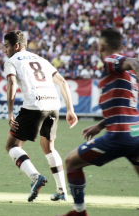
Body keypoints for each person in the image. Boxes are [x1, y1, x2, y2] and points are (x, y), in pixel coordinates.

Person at [59, 28, 139, 216]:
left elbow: (135, 61)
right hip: (136, 134)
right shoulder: (130, 76)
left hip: (120, 136)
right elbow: (125, 107)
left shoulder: (111, 60)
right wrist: (101, 125)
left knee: (71, 162)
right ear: (121, 45)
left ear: (101, 46)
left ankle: (79, 211)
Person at [3, 30, 78, 202]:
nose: (5, 50)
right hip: (53, 105)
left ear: (16, 46)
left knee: (12, 146)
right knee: (49, 148)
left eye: (7, 46)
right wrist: (70, 109)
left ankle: (35, 177)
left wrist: (10, 112)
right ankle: (62, 191)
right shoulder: (40, 59)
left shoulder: (11, 61)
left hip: (34, 105)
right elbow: (63, 82)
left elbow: (12, 82)